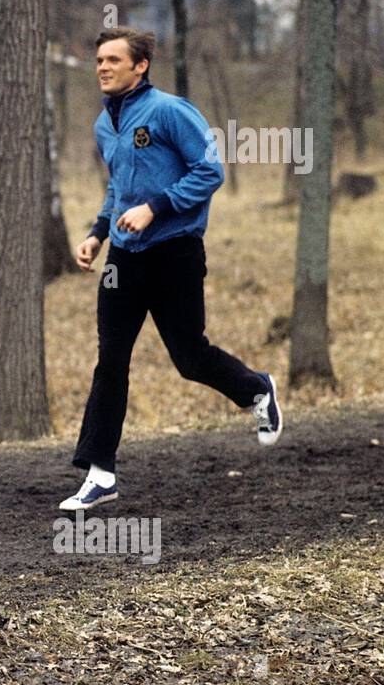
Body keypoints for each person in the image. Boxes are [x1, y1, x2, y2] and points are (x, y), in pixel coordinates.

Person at [62, 27, 282, 512]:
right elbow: (118, 189)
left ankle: (257, 388)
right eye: (98, 59)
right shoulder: (105, 124)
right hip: (124, 257)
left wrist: (156, 207)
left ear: (140, 65)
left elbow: (210, 170)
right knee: (111, 361)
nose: (102, 66)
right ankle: (100, 473)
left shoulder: (169, 111)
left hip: (175, 251)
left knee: (189, 357)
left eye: (113, 59)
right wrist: (98, 233)